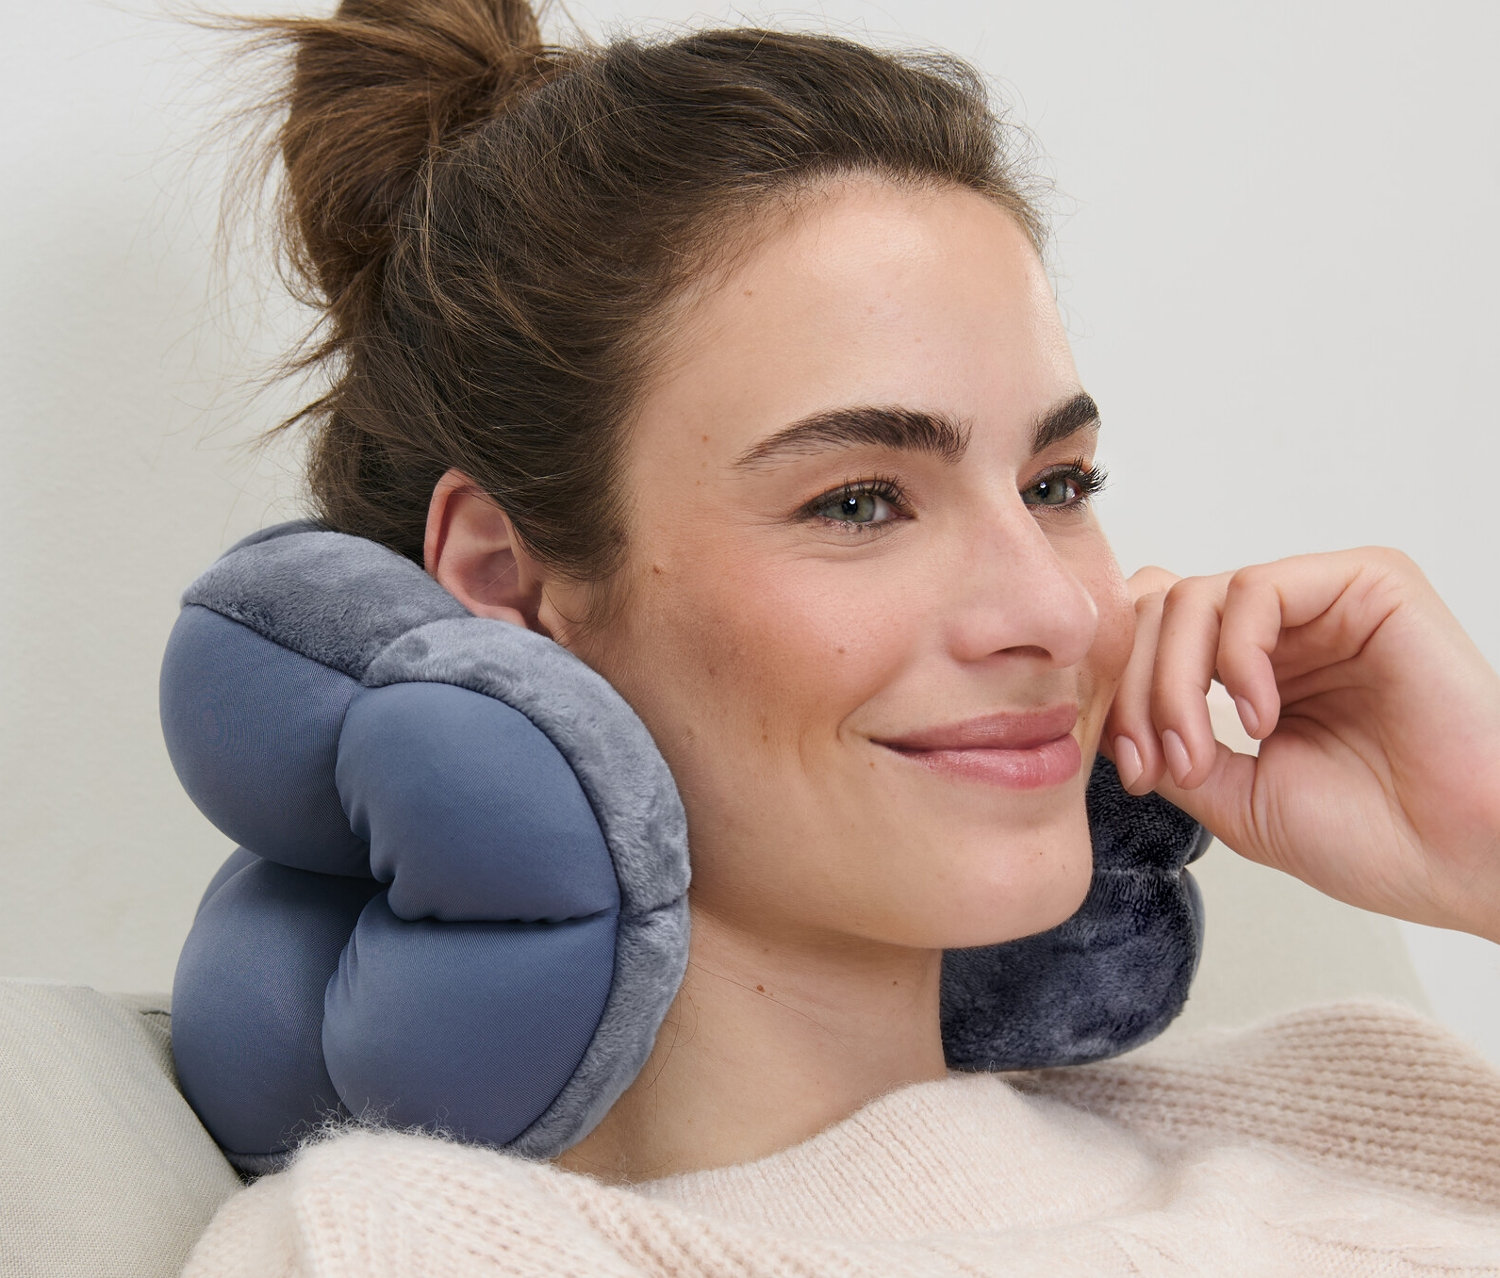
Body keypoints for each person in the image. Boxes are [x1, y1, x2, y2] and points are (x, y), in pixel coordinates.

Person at [181, 0, 1500, 1271]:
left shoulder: (1363, 1111)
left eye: (1057, 486)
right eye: (860, 500)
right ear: (507, 581)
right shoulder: (403, 1245)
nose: (1052, 609)